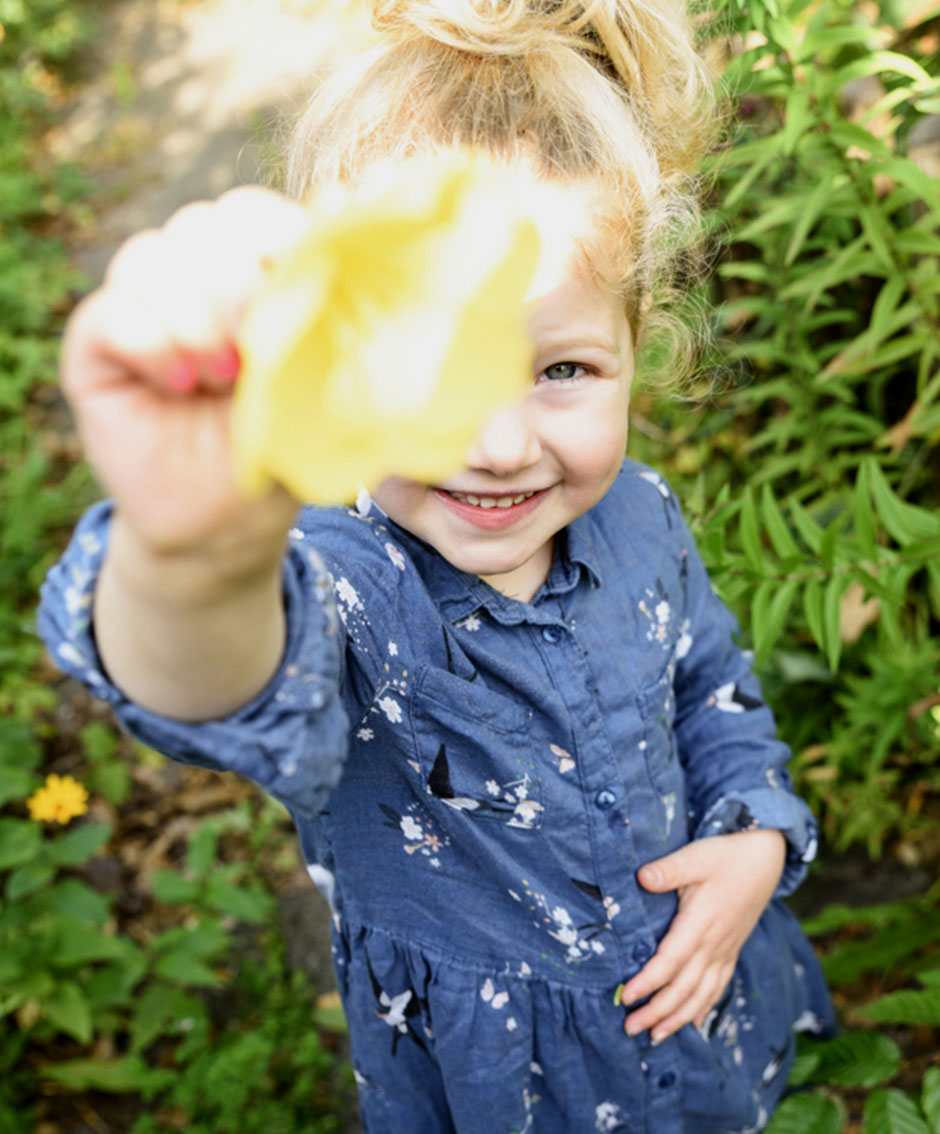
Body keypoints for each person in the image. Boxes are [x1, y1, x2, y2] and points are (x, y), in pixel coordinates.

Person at [39, 0, 835, 1129]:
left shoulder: (641, 517)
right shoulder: (354, 584)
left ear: (637, 345)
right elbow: (229, 675)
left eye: (561, 369)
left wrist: (755, 830)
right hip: (506, 1088)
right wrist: (202, 553)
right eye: (438, 371)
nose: (501, 444)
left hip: (702, 1011)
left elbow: (714, 694)